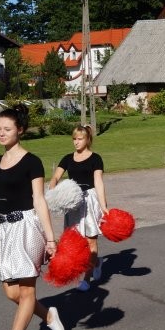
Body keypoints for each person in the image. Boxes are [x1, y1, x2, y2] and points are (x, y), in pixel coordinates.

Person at [0, 106, 64, 330]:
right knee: (11, 293)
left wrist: (50, 239)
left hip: (28, 227)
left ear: (20, 130)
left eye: (7, 129)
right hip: (5, 230)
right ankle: (48, 316)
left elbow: (39, 200)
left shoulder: (32, 162)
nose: (1, 133)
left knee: (27, 291)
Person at [49, 125, 108, 292]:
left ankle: (86, 278)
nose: (76, 142)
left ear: (87, 139)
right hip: (73, 202)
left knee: (90, 240)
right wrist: (53, 189)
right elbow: (55, 177)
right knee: (75, 240)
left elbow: (98, 182)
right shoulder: (67, 158)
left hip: (89, 201)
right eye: (74, 139)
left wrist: (103, 206)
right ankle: (97, 262)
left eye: (80, 139)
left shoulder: (96, 158)